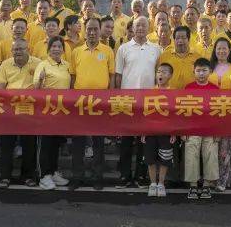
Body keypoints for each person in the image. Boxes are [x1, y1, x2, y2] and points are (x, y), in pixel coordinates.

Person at [114, 16, 162, 187]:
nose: (140, 28)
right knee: (126, 141)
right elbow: (118, 76)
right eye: (137, 25)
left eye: (144, 25)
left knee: (145, 141)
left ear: (149, 28)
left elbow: (159, 75)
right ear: (132, 28)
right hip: (127, 101)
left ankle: (142, 175)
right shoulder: (123, 49)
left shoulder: (156, 49)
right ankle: (125, 175)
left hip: (148, 102)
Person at [68, 17, 114, 190]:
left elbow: (111, 77)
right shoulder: (76, 52)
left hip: (100, 104)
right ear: (84, 30)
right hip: (80, 103)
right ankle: (76, 176)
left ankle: (97, 176)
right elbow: (72, 78)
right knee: (78, 142)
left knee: (98, 142)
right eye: (89, 29)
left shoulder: (107, 51)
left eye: (95, 29)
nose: (92, 32)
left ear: (100, 29)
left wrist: (110, 100)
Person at [0, 39, 41, 187]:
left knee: (29, 144)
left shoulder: (38, 63)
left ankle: (28, 176)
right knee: (6, 143)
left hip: (30, 108)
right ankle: (5, 177)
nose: (18, 52)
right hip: (10, 108)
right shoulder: (5, 64)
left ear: (28, 49)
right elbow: (1, 87)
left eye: (21, 49)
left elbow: (40, 87)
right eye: (15, 50)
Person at [34, 36, 71, 190]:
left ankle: (53, 172)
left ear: (63, 49)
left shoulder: (67, 65)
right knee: (46, 144)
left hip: (61, 112)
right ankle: (44, 176)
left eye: (59, 46)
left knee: (56, 143)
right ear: (48, 49)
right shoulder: (42, 65)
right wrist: (40, 81)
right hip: (46, 112)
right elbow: (36, 89)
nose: (56, 49)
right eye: (53, 46)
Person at [183, 57, 220, 200]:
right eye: (198, 70)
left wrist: (218, 132)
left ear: (210, 71)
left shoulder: (215, 89)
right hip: (192, 129)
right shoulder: (188, 88)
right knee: (191, 155)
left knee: (210, 156)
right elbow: (183, 112)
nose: (201, 73)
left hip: (210, 129)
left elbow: (219, 113)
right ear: (194, 72)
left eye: (204, 70)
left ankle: (206, 185)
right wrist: (183, 131)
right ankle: (193, 185)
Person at [208, 37, 231, 191]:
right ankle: (211, 178)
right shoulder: (209, 67)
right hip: (211, 113)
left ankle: (223, 180)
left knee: (225, 149)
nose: (221, 51)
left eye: (224, 48)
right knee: (211, 148)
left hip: (228, 113)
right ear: (214, 50)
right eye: (218, 48)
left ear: (229, 50)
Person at [144, 63, 176, 198]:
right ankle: (152, 183)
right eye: (158, 72)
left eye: (164, 72)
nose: (160, 74)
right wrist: (143, 131)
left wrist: (174, 131)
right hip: (151, 131)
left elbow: (175, 114)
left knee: (165, 157)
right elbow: (144, 113)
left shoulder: (174, 93)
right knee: (150, 158)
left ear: (170, 76)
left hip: (166, 131)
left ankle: (161, 183)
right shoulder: (150, 92)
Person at [158, 25, 204, 89]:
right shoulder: (164, 56)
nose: (180, 41)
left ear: (188, 39)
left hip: (192, 95)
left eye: (183, 38)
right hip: (170, 95)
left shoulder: (197, 57)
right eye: (177, 38)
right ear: (174, 40)